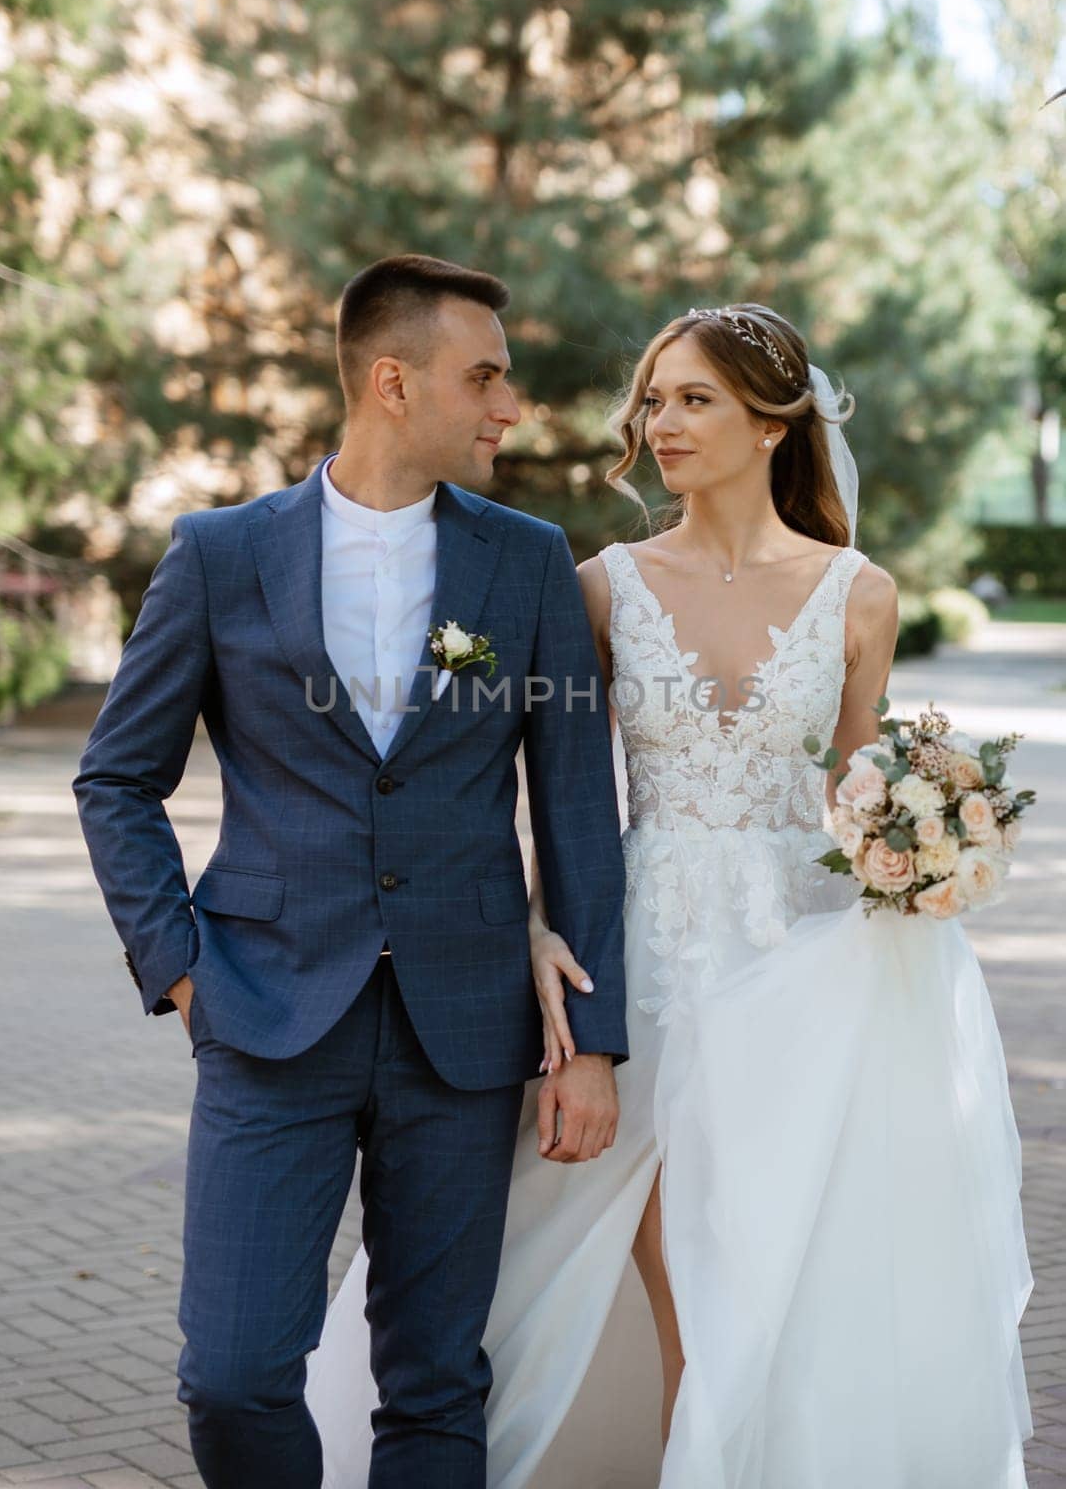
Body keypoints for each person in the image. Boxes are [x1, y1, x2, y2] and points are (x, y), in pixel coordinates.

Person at [308, 304, 1033, 1489]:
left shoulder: (861, 593)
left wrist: (931, 830)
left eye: (693, 398)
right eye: (653, 400)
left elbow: (857, 785)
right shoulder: (600, 585)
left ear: (772, 419)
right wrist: (537, 922)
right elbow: (523, 772)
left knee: (772, 1268)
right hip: (645, 955)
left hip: (809, 961)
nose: (661, 423)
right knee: (677, 1273)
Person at [72, 253, 629, 1489]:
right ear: (392, 380)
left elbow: (578, 808)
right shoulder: (220, 554)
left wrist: (592, 1041)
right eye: (484, 375)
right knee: (231, 1375)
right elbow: (116, 778)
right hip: (266, 1012)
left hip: (467, 1026)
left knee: (434, 1384)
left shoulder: (527, 559)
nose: (510, 405)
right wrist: (180, 971)